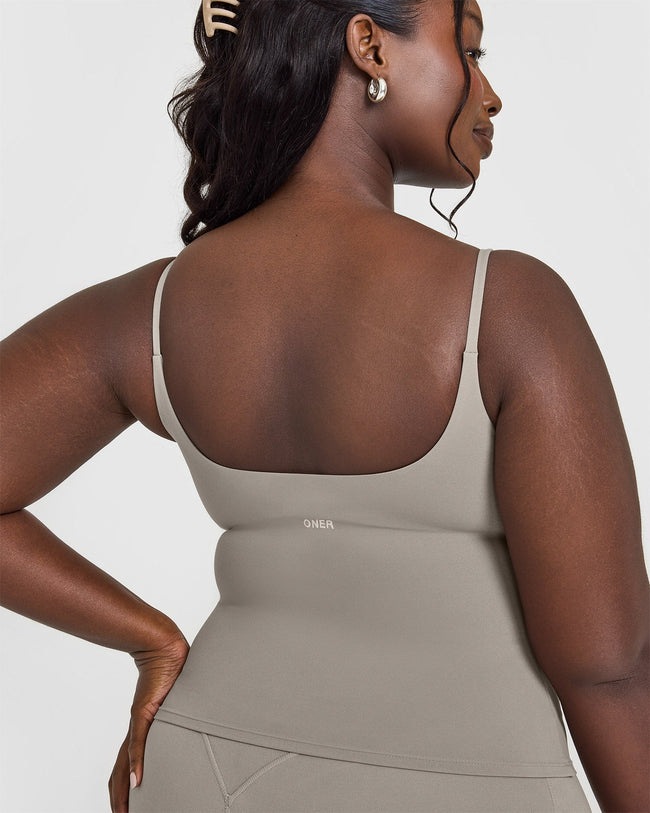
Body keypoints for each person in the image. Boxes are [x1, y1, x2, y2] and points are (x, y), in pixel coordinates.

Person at [1, 0, 648, 811]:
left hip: (207, 774)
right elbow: (607, 666)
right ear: (369, 46)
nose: (490, 93)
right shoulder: (509, 308)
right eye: (471, 51)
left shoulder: (156, 311)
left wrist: (150, 639)